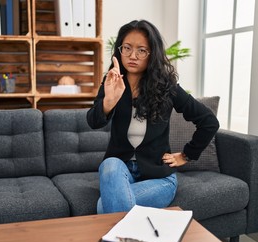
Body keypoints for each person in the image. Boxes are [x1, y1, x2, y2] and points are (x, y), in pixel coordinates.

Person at [87, 20, 219, 214]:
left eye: (142, 50)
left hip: (159, 178)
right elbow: (93, 122)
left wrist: (186, 155)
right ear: (119, 50)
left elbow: (209, 122)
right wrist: (109, 101)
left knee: (102, 206)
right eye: (127, 48)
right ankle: (138, 238)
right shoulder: (112, 83)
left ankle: (121, 237)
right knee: (110, 164)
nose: (133, 56)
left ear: (152, 54)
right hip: (120, 173)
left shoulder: (168, 88)